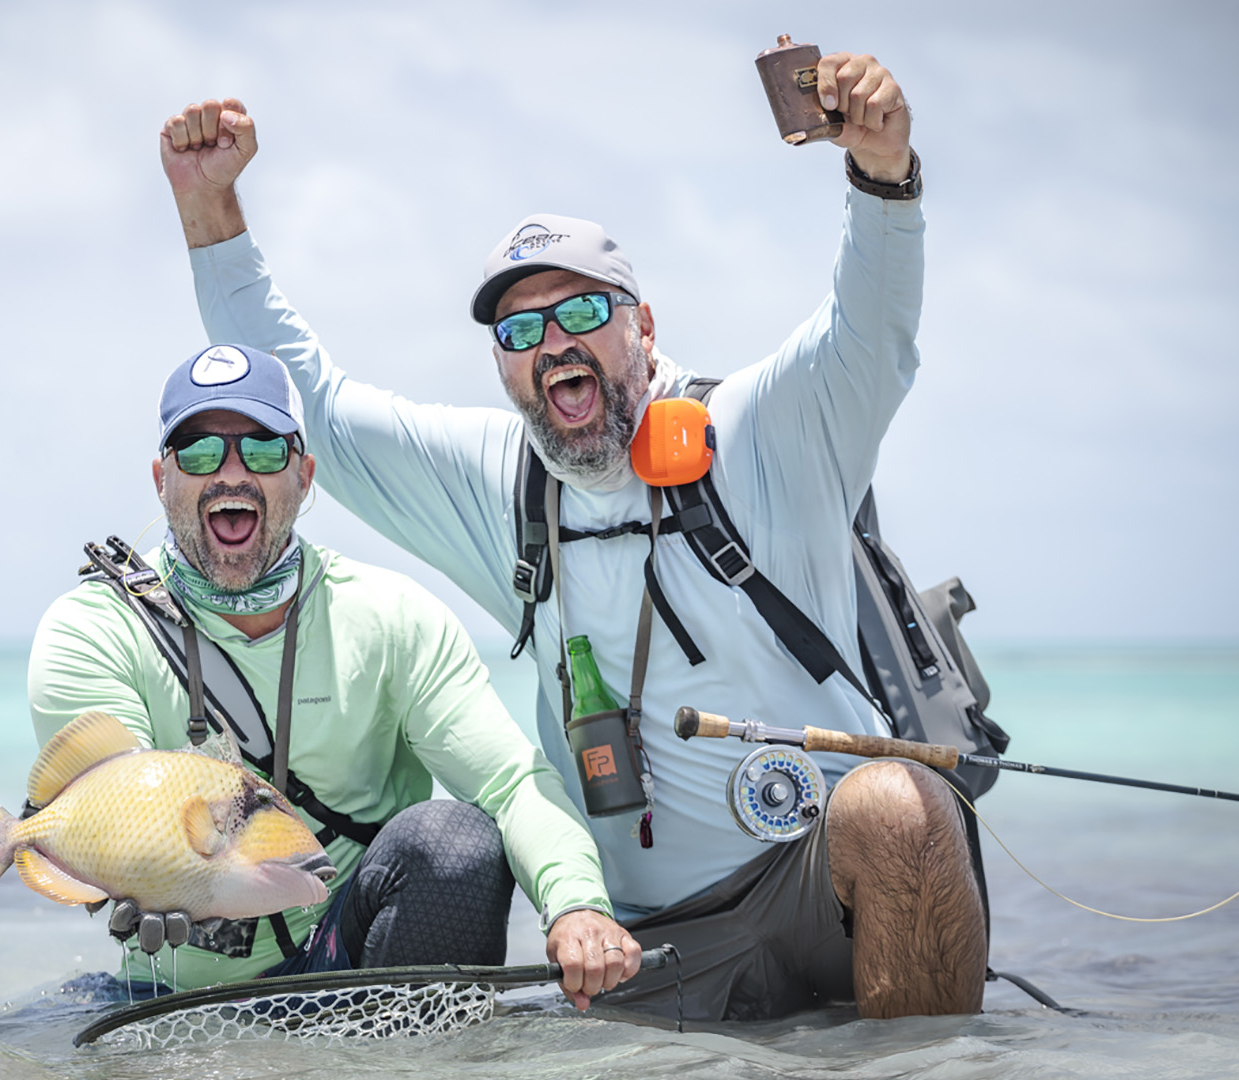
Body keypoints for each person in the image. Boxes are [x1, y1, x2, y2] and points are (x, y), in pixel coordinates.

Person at [156, 50, 987, 1022]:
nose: (551, 343)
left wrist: (882, 177)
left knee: (900, 807)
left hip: (823, 897)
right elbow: (321, 411)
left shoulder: (765, 431)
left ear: (641, 324)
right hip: (647, 948)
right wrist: (210, 209)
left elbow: (868, 332)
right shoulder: (501, 481)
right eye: (518, 331)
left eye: (581, 311)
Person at [27, 343, 640, 1007]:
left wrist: (579, 905)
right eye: (200, 452)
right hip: (166, 995)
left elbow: (510, 782)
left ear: (305, 474)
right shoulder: (92, 627)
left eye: (263, 450)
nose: (232, 474)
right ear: (161, 478)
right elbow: (107, 805)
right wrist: (132, 875)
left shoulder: (391, 617)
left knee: (455, 841)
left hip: (346, 963)